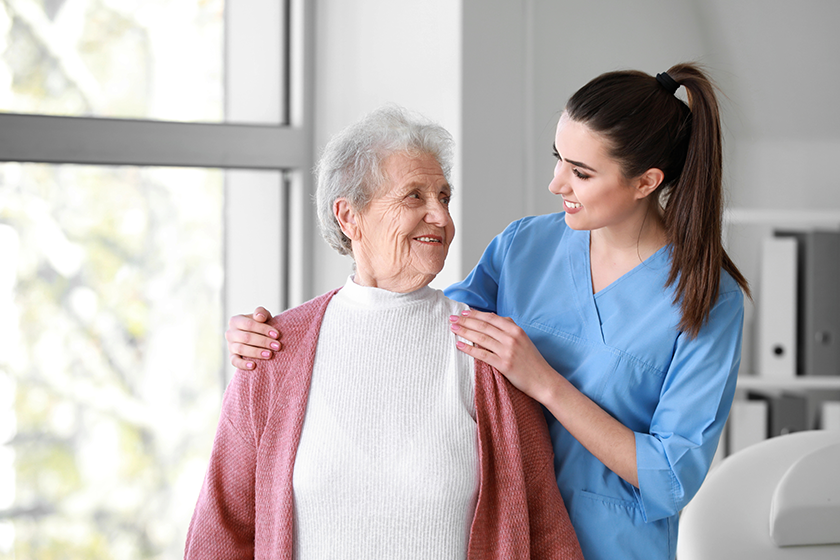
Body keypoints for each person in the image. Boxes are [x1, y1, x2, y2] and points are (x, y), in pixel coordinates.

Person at [224, 63, 751, 560]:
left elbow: (671, 475)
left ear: (646, 182)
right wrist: (283, 339)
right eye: (557, 158)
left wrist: (543, 381)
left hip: (609, 545)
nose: (556, 184)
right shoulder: (525, 246)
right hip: (503, 536)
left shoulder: (708, 298)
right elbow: (421, 322)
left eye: (582, 173)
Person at [185, 105, 583, 560]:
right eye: (414, 197)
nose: (441, 216)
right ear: (349, 217)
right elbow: (221, 530)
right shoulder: (274, 350)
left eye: (444, 197)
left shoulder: (489, 353)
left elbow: (546, 532)